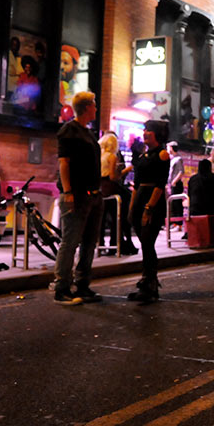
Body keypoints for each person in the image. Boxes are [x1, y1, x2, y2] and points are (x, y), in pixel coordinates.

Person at [53, 91, 104, 305]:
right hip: (77, 194)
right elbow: (64, 163)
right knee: (70, 241)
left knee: (89, 242)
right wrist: (67, 192)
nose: (96, 108)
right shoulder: (69, 131)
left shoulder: (88, 133)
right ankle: (62, 288)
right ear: (85, 107)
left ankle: (82, 285)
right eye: (93, 104)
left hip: (93, 194)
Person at [127, 120, 171, 303]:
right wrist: (131, 208)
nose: (145, 133)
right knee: (145, 243)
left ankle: (150, 282)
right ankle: (148, 282)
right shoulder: (143, 156)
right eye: (144, 129)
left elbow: (160, 184)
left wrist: (149, 208)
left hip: (152, 201)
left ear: (158, 134)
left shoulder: (162, 155)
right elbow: (137, 184)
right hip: (139, 199)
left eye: (149, 130)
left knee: (147, 241)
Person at [98, 132, 137, 255]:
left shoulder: (100, 156)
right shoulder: (112, 157)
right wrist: (127, 169)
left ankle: (102, 244)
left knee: (102, 219)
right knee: (125, 204)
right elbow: (113, 177)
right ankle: (118, 240)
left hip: (101, 188)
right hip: (111, 188)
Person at [167, 141, 184, 232]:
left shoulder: (178, 159)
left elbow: (181, 172)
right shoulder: (172, 159)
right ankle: (174, 223)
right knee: (173, 204)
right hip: (172, 184)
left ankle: (179, 224)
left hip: (176, 184)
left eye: (168, 147)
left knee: (177, 204)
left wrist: (174, 181)